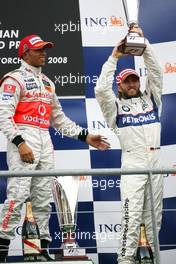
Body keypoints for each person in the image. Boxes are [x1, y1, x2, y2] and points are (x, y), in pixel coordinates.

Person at [0, 34, 110, 262]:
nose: (44, 53)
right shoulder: (13, 79)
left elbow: (59, 119)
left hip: (45, 141)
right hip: (24, 138)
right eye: (38, 49)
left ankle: (39, 251)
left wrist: (86, 136)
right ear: (24, 53)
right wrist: (20, 143)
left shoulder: (48, 83)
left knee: (42, 200)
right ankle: (1, 249)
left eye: (45, 49)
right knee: (17, 196)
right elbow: (3, 115)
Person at [95, 26, 163, 264]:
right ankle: (125, 260)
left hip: (155, 161)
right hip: (133, 162)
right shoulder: (114, 108)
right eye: (127, 82)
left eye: (134, 80)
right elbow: (101, 89)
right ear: (120, 86)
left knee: (155, 218)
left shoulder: (152, 99)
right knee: (131, 216)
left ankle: (151, 259)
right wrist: (114, 56)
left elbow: (156, 72)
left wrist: (143, 44)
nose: (132, 84)